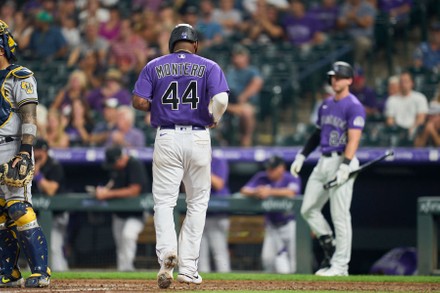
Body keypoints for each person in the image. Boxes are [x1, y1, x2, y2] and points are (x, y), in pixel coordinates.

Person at [132, 24, 229, 288]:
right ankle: (188, 268)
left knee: (164, 202)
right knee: (197, 203)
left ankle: (166, 257)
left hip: (167, 136)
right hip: (198, 135)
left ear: (171, 44)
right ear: (195, 45)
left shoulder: (155, 65)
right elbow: (220, 99)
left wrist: (159, 103)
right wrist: (214, 118)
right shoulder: (209, 65)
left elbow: (138, 101)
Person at [290, 61, 366, 276]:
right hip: (324, 160)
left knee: (340, 215)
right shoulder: (325, 104)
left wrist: (346, 165)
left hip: (343, 159)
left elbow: (354, 139)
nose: (335, 80)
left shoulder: (354, 105)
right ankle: (328, 242)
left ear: (349, 80)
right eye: (333, 77)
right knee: (307, 209)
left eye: (340, 77)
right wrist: (302, 155)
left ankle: (341, 266)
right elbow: (316, 134)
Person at [0, 20, 51, 287]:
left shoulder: (19, 75)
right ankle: (8, 271)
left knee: (19, 208)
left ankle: (41, 271)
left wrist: (25, 151)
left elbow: (29, 117)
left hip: (11, 147)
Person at [240, 155, 301, 274]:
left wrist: (269, 192)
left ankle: (297, 287)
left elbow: (292, 192)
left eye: (273, 169)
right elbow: (244, 190)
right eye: (268, 168)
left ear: (281, 168)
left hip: (290, 224)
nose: (269, 171)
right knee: (267, 259)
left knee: (294, 260)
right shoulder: (262, 177)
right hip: (272, 226)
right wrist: (255, 192)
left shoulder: (291, 177)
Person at [94, 145, 149, 271]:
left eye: (114, 163)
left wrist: (108, 194)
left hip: (137, 213)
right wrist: (103, 191)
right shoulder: (115, 169)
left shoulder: (134, 164)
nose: (113, 166)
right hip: (119, 214)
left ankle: (127, 269)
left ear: (120, 159)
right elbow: (112, 185)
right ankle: (122, 274)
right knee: (120, 245)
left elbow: (134, 190)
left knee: (128, 235)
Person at [32, 138, 69, 272]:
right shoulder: (29, 165)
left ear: (45, 151)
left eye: (39, 151)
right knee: (36, 246)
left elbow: (51, 191)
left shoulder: (54, 166)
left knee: (53, 245)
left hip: (57, 215)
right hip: (38, 215)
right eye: (34, 151)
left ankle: (62, 274)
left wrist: (38, 175)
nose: (36, 154)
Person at [225, 44, 263, 147]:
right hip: (230, 105)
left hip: (247, 104)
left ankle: (246, 140)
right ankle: (219, 140)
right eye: (235, 56)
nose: (236, 58)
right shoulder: (230, 72)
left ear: (246, 57)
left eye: (239, 55)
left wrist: (244, 96)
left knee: (247, 111)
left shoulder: (252, 70)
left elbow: (257, 83)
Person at [199, 154, 231, 273]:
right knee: (200, 254)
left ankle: (227, 285)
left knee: (219, 252)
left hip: (217, 214)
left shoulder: (218, 161)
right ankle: (202, 286)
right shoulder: (192, 161)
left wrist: (201, 169)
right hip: (200, 214)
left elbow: (219, 184)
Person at [384, 71, 429, 144]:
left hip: (415, 131)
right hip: (398, 132)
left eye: (406, 81)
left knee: (423, 129)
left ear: (412, 83)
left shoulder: (420, 98)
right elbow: (390, 120)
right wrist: (399, 130)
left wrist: (412, 129)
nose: (403, 84)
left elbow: (421, 118)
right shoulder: (392, 100)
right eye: (401, 81)